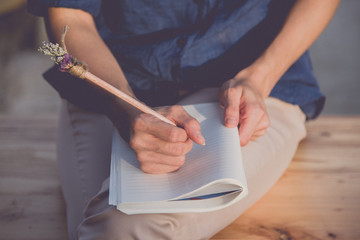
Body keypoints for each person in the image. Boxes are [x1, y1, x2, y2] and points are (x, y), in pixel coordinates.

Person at [28, 0, 340, 239]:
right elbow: (70, 16)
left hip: (251, 86)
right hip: (113, 86)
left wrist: (260, 77)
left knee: (125, 225)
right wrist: (126, 108)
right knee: (110, 227)